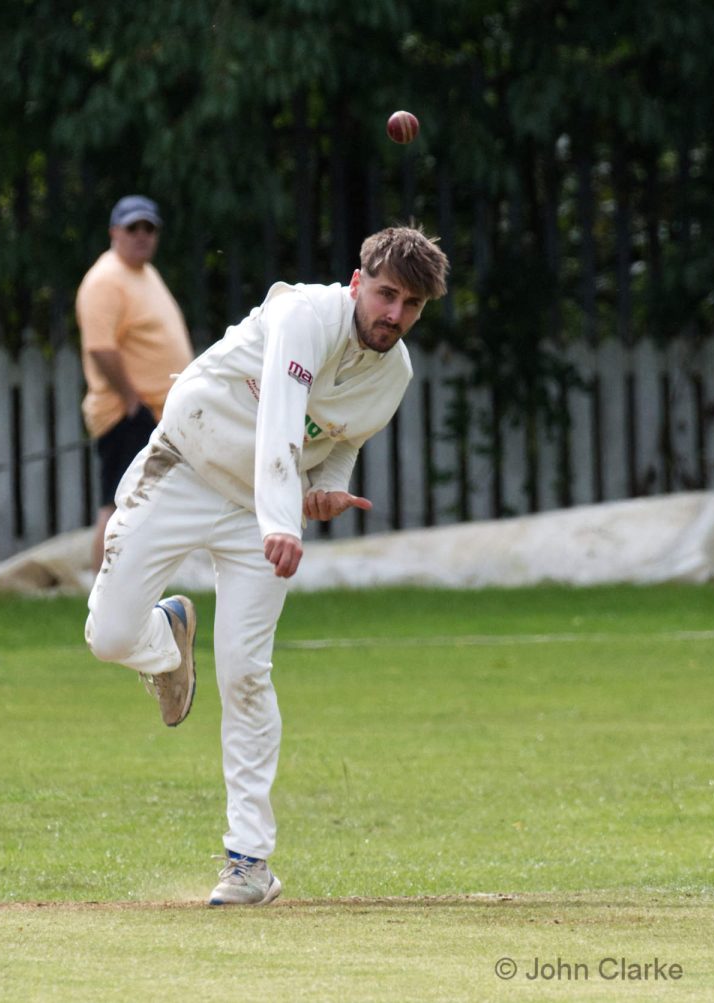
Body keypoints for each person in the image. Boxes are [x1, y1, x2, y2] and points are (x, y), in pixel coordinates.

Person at [85, 226, 450, 906]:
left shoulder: (394, 372)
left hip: (258, 511)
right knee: (108, 637)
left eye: (411, 305)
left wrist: (327, 488)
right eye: (386, 294)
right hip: (185, 466)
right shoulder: (303, 316)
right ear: (357, 282)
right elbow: (282, 419)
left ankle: (249, 861)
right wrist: (282, 521)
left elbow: (342, 439)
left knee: (246, 672)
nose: (394, 314)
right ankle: (166, 641)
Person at [77, 195, 194, 572]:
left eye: (149, 228)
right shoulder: (105, 279)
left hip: (153, 413)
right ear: (115, 232)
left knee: (143, 507)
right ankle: (101, 592)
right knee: (117, 506)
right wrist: (130, 400)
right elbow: (100, 347)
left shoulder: (144, 273)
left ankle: (131, 585)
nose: (142, 235)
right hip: (126, 414)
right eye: (133, 228)